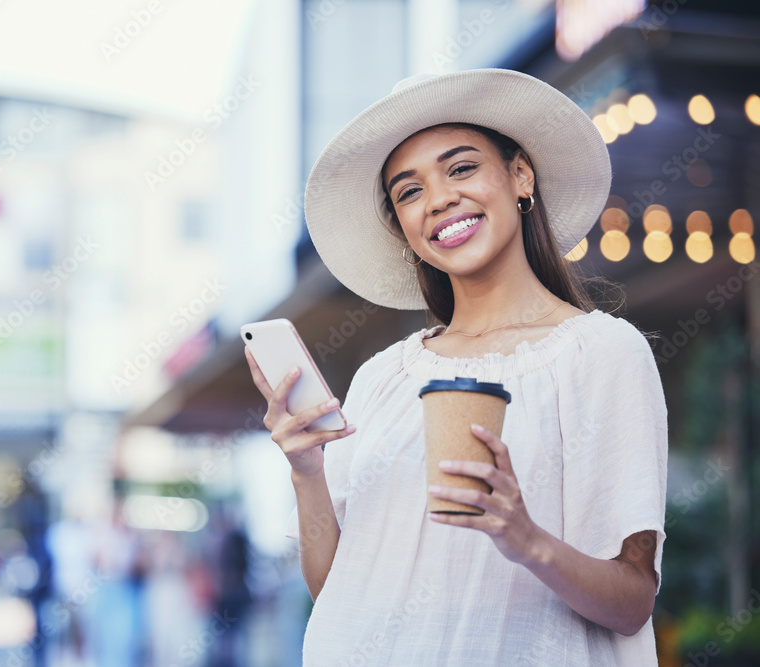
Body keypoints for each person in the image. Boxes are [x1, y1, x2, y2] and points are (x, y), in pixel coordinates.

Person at [243, 68, 668, 665]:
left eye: (462, 167)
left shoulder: (600, 353)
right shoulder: (380, 378)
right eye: (409, 191)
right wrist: (306, 471)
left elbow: (631, 602)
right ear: (406, 230)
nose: (439, 198)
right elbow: (335, 592)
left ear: (520, 175)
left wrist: (525, 539)